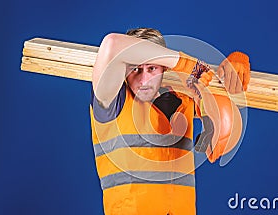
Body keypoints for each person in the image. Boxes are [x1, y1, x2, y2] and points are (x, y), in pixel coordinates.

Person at [90, 27, 250, 215]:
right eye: (135, 68)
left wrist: (232, 70)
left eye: (152, 68)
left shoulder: (185, 98)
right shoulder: (110, 100)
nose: (144, 80)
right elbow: (112, 44)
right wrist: (184, 63)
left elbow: (225, 114)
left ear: (164, 67)